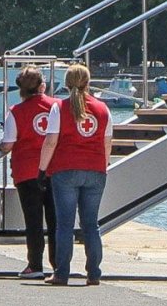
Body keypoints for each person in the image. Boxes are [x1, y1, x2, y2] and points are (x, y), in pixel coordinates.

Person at [37, 64, 112, 287]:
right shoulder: (103, 109)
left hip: (65, 170)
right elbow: (107, 144)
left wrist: (42, 169)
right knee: (91, 224)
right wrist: (103, 166)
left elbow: (50, 141)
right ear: (88, 82)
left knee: (65, 224)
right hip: (96, 170)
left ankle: (62, 273)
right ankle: (94, 273)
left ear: (67, 83)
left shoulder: (59, 108)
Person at [0, 66, 57, 278]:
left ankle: (35, 265)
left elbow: (9, 143)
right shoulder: (57, 107)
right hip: (53, 170)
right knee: (55, 220)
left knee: (33, 221)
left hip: (26, 172)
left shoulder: (15, 111)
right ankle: (59, 264)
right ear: (43, 85)